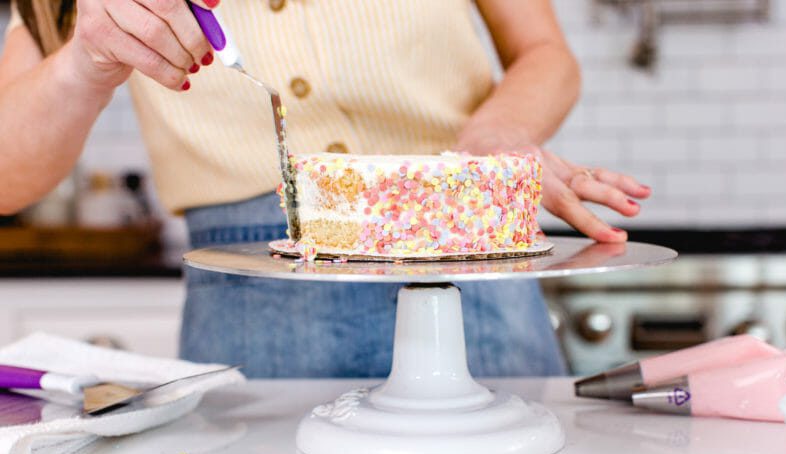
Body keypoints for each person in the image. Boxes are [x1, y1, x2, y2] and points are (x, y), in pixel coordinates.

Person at [0, 0, 649, 377]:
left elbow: (545, 51)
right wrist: (83, 64)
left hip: (463, 250)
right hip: (251, 297)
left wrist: (494, 138)